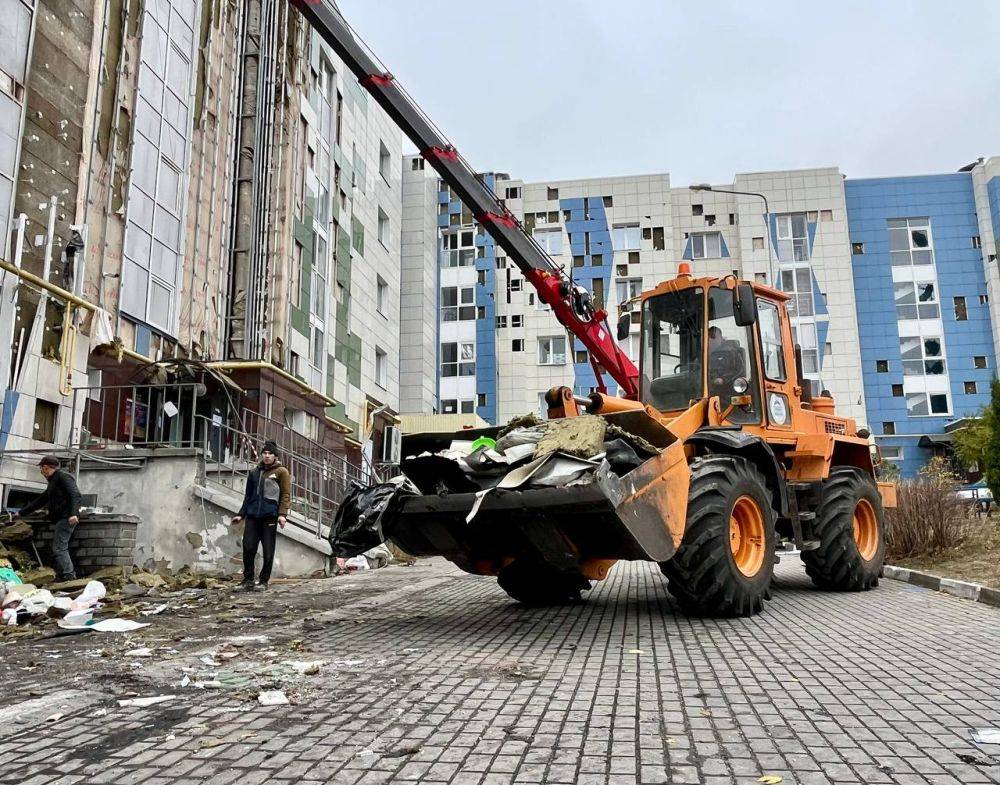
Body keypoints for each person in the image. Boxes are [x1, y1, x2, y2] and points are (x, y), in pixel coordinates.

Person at [231, 440, 291, 591]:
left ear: (275, 456)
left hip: (269, 517)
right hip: (252, 516)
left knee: (268, 549)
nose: (267, 456)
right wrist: (241, 514)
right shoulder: (254, 472)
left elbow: (285, 495)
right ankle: (248, 579)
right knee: (248, 547)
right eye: (264, 453)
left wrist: (282, 514)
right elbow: (248, 496)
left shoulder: (281, 472)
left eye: (270, 453)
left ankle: (263, 581)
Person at [14, 455, 83, 581]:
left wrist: (73, 513)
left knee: (59, 547)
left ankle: (70, 576)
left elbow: (75, 495)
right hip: (62, 518)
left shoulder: (63, 477)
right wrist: (21, 513)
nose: (41, 471)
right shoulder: (53, 482)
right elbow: (41, 500)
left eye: (42, 468)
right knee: (60, 547)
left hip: (66, 518)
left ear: (46, 467)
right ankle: (66, 574)